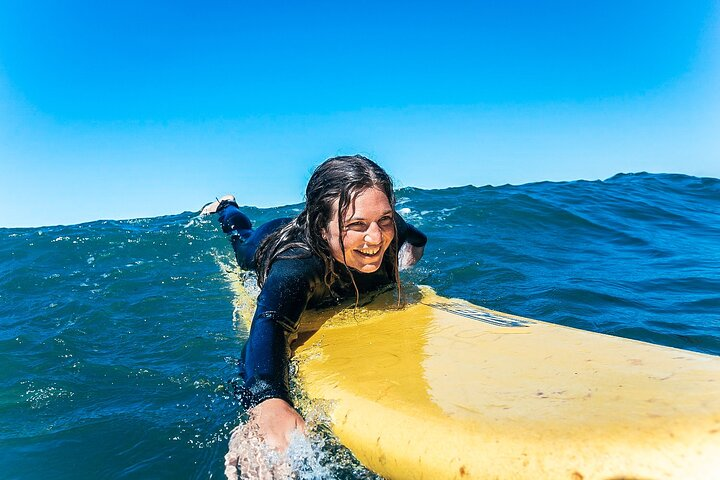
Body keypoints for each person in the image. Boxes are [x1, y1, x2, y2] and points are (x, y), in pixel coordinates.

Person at [202, 155, 427, 454]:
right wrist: (269, 401)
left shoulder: (391, 228)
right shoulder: (298, 265)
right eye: (356, 225)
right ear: (322, 227)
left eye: (383, 220)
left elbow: (417, 240)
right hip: (269, 238)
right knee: (241, 241)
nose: (375, 237)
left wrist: (396, 266)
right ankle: (227, 207)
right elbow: (270, 323)